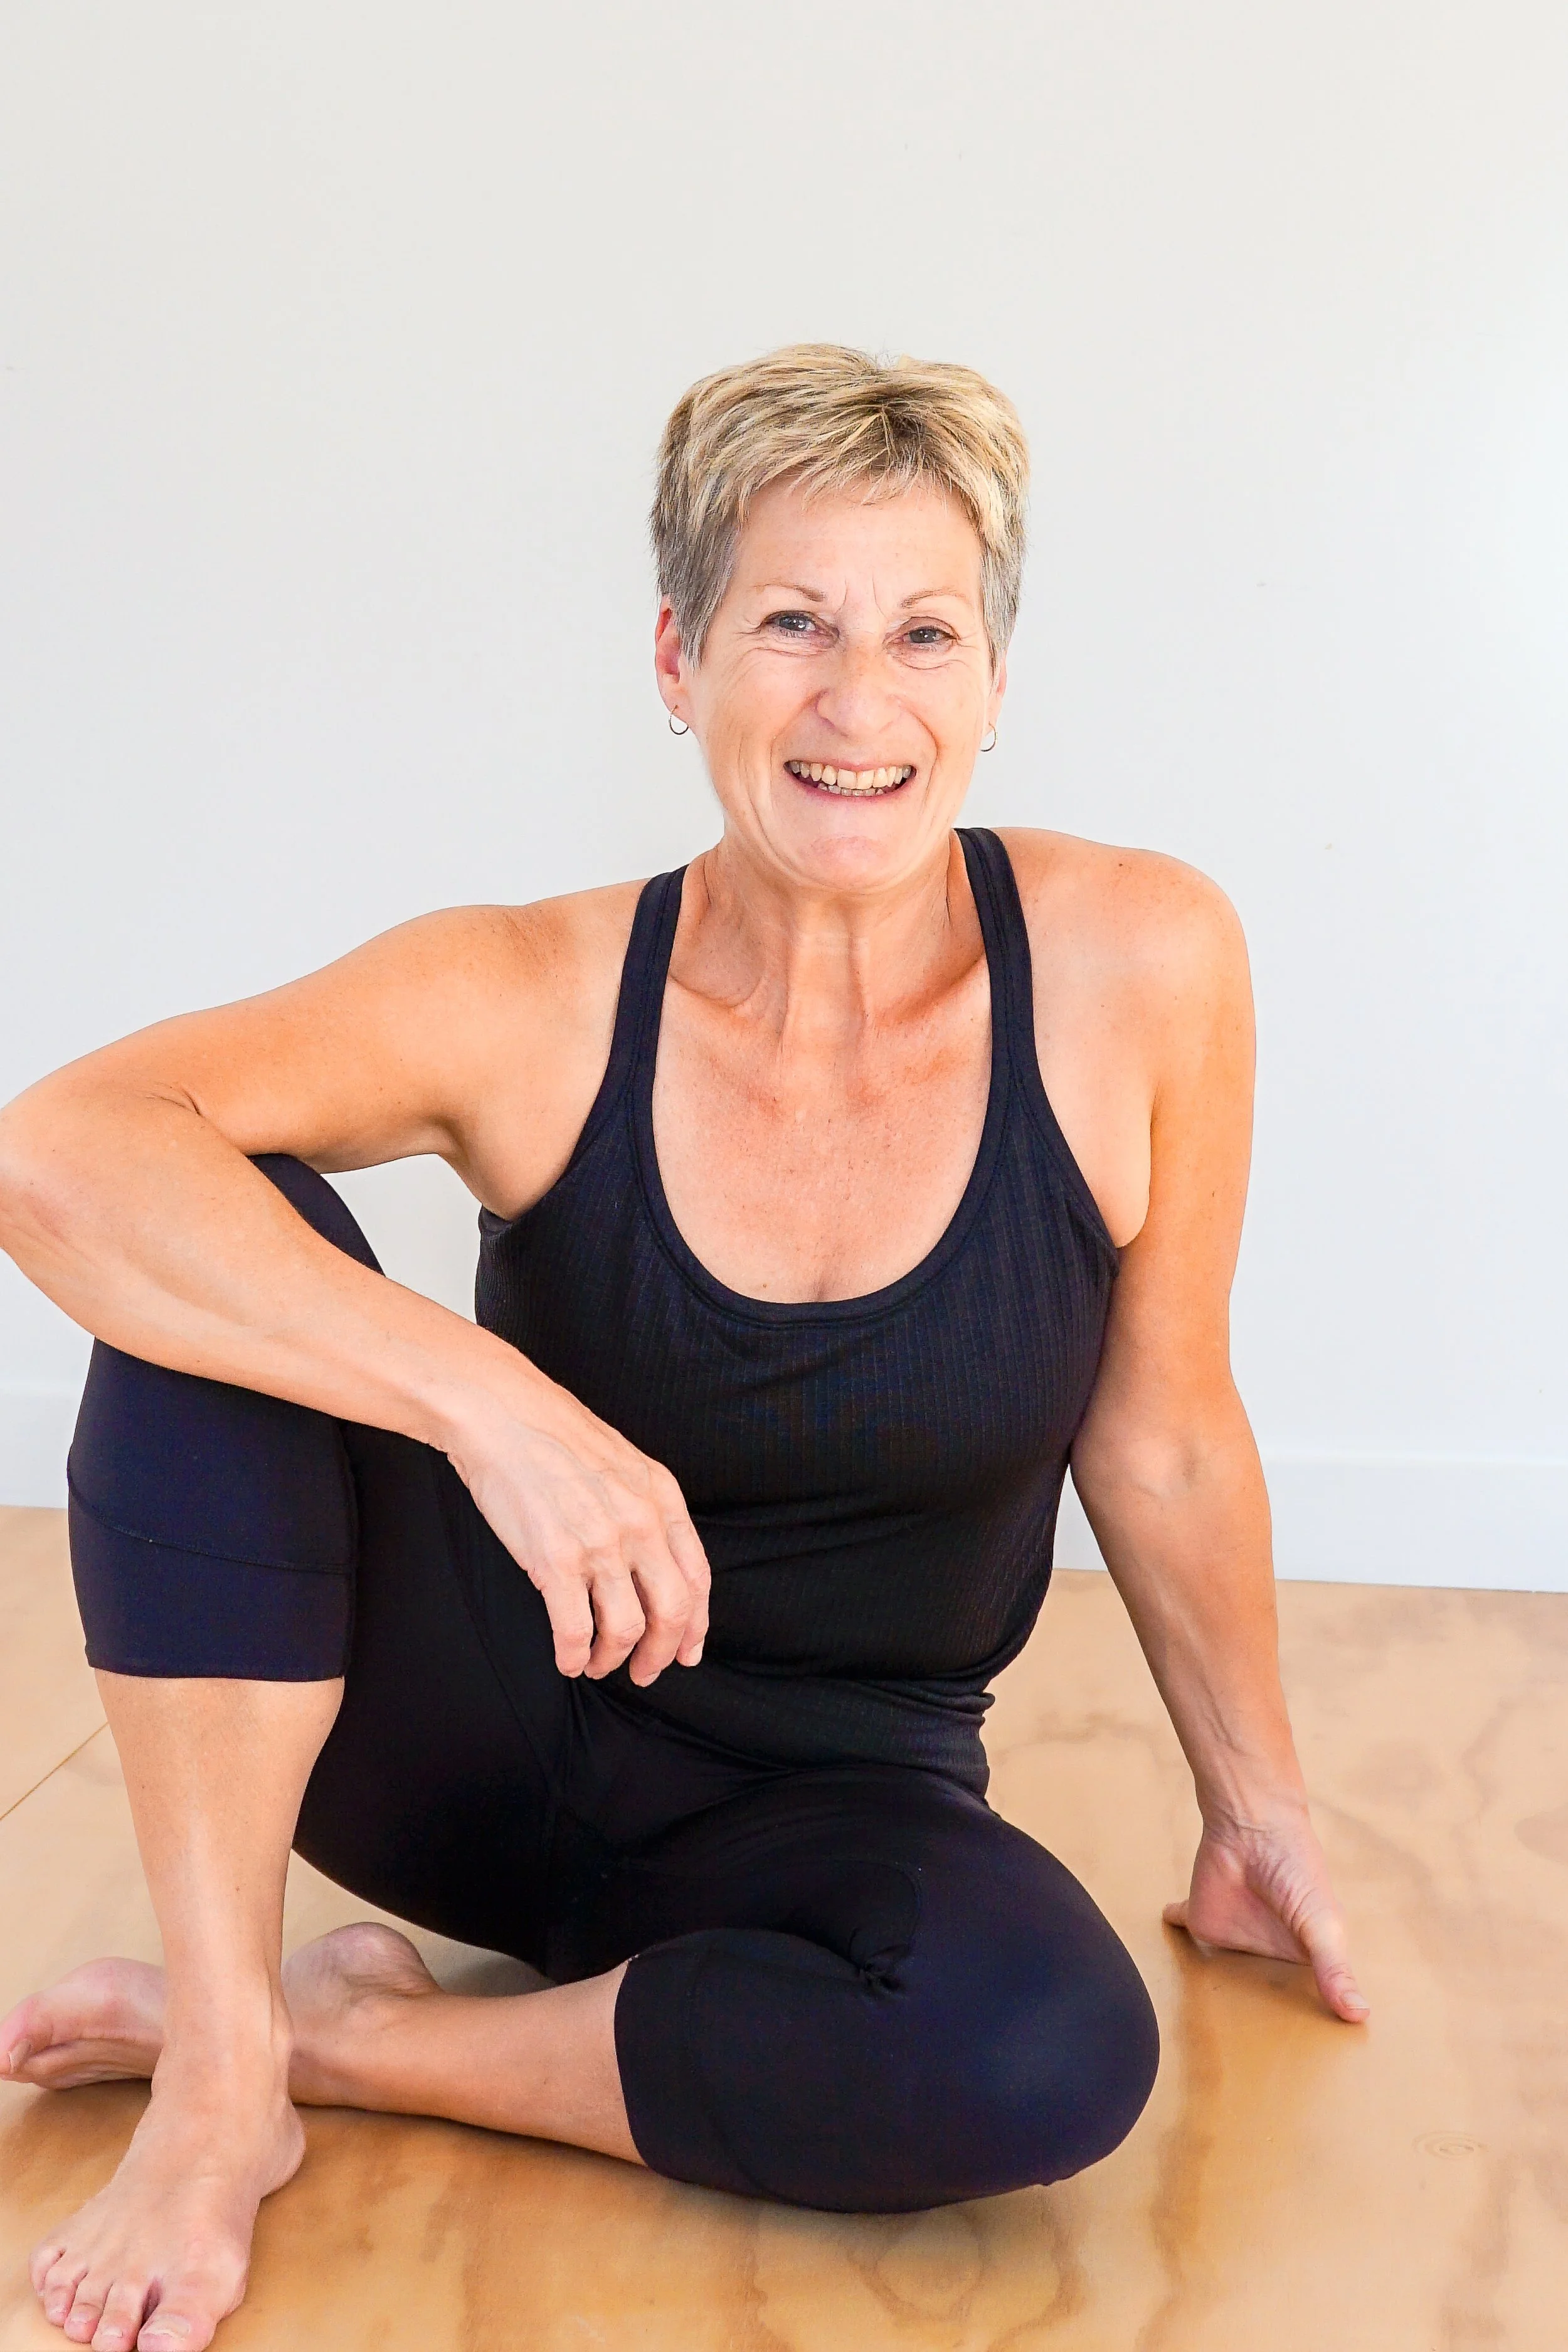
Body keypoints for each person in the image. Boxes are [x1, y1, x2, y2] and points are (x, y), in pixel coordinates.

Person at [0, 343, 1365, 2352]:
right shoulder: (531, 991)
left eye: (922, 632)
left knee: (1048, 2057)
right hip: (456, 1737)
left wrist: (1255, 1807)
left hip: (819, 1799)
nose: (856, 700)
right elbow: (57, 1152)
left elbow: (1159, 1433)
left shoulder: (1136, 965)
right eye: (788, 623)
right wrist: (496, 1407)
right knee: (219, 1261)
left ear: (994, 679)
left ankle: (358, 2045)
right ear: (675, 658)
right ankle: (221, 2072)